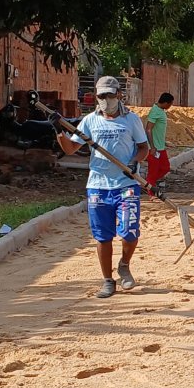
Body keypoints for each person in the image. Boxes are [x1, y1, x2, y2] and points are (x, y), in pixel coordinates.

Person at [54, 75, 149, 298]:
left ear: (119, 95)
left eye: (109, 95)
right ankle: (108, 280)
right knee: (102, 237)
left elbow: (144, 147)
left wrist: (135, 162)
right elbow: (69, 149)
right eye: (101, 96)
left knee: (130, 232)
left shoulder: (131, 120)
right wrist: (58, 131)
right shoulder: (89, 121)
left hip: (126, 183)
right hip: (98, 186)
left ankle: (124, 264)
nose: (106, 100)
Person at [145, 92, 174, 193]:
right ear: (166, 103)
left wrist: (164, 142)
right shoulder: (155, 111)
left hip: (160, 147)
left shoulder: (161, 111)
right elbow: (148, 129)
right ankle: (150, 191)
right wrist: (152, 146)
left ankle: (147, 183)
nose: (170, 106)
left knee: (165, 168)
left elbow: (157, 130)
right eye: (170, 104)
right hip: (154, 148)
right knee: (153, 172)